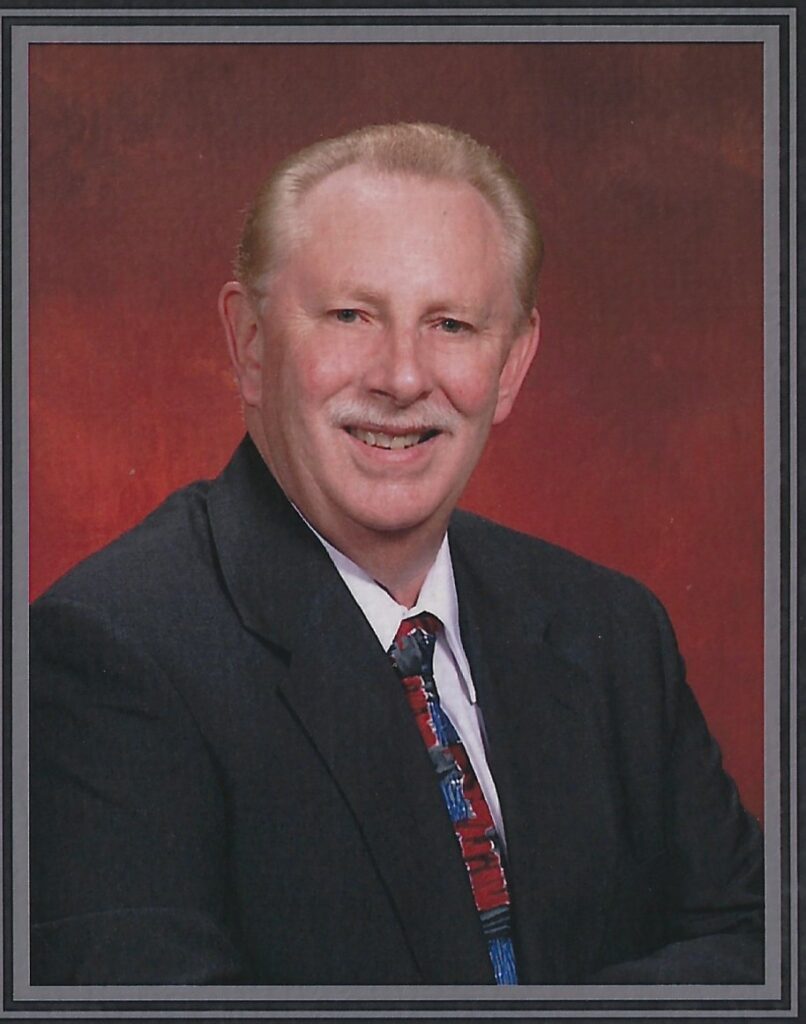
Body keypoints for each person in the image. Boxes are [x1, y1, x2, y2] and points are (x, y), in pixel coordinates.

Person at [29, 122, 763, 987]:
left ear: (513, 363)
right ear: (252, 342)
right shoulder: (112, 650)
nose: (404, 377)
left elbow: (758, 950)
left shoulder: (613, 628)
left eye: (451, 324)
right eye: (351, 315)